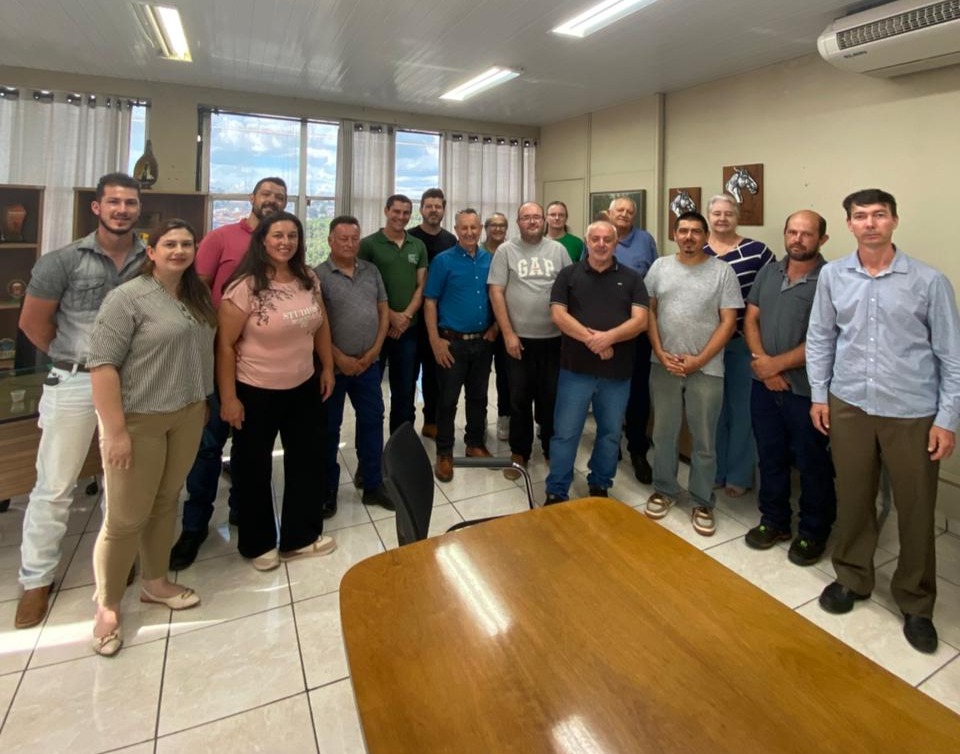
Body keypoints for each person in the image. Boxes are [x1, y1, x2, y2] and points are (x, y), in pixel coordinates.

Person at [807, 189, 960, 654]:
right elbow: (821, 337)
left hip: (911, 411)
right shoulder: (833, 276)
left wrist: (947, 419)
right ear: (849, 225)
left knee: (915, 508)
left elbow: (951, 357)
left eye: (879, 215)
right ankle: (853, 577)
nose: (870, 223)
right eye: (861, 216)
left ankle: (916, 601)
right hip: (850, 403)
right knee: (854, 498)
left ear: (894, 220)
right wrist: (820, 395)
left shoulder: (929, 282)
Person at [15, 172, 147, 630]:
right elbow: (34, 324)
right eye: (114, 202)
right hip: (75, 381)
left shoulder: (149, 260)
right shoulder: (63, 261)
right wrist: (78, 358)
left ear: (138, 208)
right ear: (97, 207)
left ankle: (116, 561)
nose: (122, 210)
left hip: (132, 384)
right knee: (55, 485)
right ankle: (36, 580)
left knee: (121, 482)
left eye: (130, 203)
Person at [86, 219, 216, 656]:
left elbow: (200, 351)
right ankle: (107, 606)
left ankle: (155, 582)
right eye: (170, 244)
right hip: (139, 419)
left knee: (165, 500)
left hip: (187, 412)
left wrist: (202, 400)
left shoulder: (195, 295)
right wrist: (115, 431)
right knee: (125, 517)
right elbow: (102, 365)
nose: (179, 250)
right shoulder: (126, 298)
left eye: (187, 244)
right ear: (152, 251)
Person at [170, 176, 288, 570]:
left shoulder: (281, 245)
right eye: (266, 194)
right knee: (208, 444)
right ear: (253, 198)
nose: (272, 200)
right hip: (219, 358)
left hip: (262, 366)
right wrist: (215, 336)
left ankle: (242, 508)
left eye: (279, 197)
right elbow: (195, 291)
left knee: (251, 444)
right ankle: (194, 526)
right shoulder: (221, 238)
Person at [218, 211, 336, 571]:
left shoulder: (308, 279)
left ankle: (300, 538)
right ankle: (258, 544)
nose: (286, 242)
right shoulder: (245, 287)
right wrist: (229, 398)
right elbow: (225, 345)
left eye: (292, 236)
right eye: (278, 235)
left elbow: (320, 325)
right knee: (253, 468)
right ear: (263, 241)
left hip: (303, 385)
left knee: (307, 462)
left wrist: (327, 366)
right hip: (256, 390)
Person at [742, 210, 836, 565]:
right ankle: (774, 520)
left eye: (806, 234)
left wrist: (775, 365)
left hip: (807, 392)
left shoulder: (831, 279)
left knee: (813, 463)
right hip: (764, 386)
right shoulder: (769, 271)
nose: (797, 239)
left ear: (822, 239)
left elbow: (825, 338)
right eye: (792, 232)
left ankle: (813, 531)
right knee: (770, 455)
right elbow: (752, 318)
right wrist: (762, 363)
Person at [644, 211, 742, 536]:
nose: (689, 236)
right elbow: (648, 313)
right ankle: (664, 489)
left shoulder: (722, 272)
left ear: (705, 236)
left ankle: (702, 500)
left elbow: (729, 322)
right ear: (675, 234)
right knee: (663, 433)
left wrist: (699, 360)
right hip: (664, 365)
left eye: (696, 231)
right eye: (683, 231)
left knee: (704, 440)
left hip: (707, 369)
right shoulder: (659, 267)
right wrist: (660, 352)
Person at [543, 220, 648, 504]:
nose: (601, 244)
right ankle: (557, 489)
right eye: (595, 239)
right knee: (565, 433)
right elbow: (559, 315)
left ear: (616, 243)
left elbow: (641, 321)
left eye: (607, 239)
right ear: (587, 242)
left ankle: (600, 483)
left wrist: (608, 338)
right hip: (575, 370)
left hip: (617, 373)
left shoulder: (632, 278)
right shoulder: (568, 275)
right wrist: (595, 341)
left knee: (610, 434)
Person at [316, 215, 393, 516]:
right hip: (333, 368)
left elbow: (383, 311)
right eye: (343, 239)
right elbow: (316, 324)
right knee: (329, 429)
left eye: (354, 238)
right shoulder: (318, 276)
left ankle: (373, 483)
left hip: (368, 364)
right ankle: (327, 489)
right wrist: (338, 358)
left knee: (372, 421)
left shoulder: (371, 271)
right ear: (330, 241)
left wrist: (374, 351)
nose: (349, 244)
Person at [489, 202, 570, 479]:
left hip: (554, 339)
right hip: (518, 340)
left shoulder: (558, 251)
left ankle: (549, 446)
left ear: (544, 220)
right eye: (527, 217)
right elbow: (496, 292)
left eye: (537, 217)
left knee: (550, 398)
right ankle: (520, 452)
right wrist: (507, 333)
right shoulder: (505, 251)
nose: (532, 221)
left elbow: (571, 288)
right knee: (518, 398)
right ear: (518, 222)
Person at [704, 193, 775, 497]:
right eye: (717, 213)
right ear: (709, 216)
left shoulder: (758, 252)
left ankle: (738, 475)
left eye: (728, 213)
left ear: (737, 216)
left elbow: (770, 296)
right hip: (706, 345)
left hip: (742, 343)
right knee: (713, 410)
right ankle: (715, 471)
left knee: (742, 410)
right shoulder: (698, 250)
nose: (722, 218)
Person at [424, 209, 497, 482]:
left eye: (473, 227)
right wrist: (435, 340)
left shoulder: (490, 260)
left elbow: (499, 295)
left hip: (483, 341)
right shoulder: (443, 261)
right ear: (456, 230)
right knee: (447, 400)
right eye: (463, 228)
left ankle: (474, 443)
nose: (469, 232)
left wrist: (496, 327)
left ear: (480, 229)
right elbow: (430, 301)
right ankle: (444, 453)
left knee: (478, 397)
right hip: (451, 344)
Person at [359, 195, 428, 441]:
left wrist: (405, 316)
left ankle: (400, 447)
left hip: (408, 329)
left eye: (406, 212)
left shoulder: (417, 245)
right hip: (376, 330)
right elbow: (362, 288)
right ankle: (370, 451)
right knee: (370, 394)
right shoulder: (368, 245)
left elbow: (422, 286)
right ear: (386, 211)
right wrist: (391, 317)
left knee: (404, 392)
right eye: (396, 211)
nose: (401, 217)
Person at [609, 195, 659, 485]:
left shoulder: (645, 240)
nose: (625, 214)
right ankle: (610, 442)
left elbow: (655, 281)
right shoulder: (600, 236)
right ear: (610, 213)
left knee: (638, 391)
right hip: (606, 330)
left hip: (638, 330)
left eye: (630, 211)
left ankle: (638, 450)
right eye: (620, 210)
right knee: (607, 389)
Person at [409, 188, 457, 441]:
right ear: (421, 209)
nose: (433, 210)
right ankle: (404, 428)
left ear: (444, 209)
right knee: (406, 376)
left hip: (438, 320)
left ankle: (431, 421)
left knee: (433, 375)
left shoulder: (451, 240)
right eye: (429, 206)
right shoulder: (409, 238)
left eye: (438, 206)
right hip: (409, 319)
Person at [481, 212, 512, 440]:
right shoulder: (477, 252)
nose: (498, 229)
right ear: (486, 228)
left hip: (504, 324)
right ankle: (478, 418)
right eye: (494, 225)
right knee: (479, 377)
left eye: (502, 225)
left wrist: (498, 325)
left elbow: (511, 291)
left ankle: (504, 417)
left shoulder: (512, 252)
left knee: (505, 375)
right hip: (480, 325)